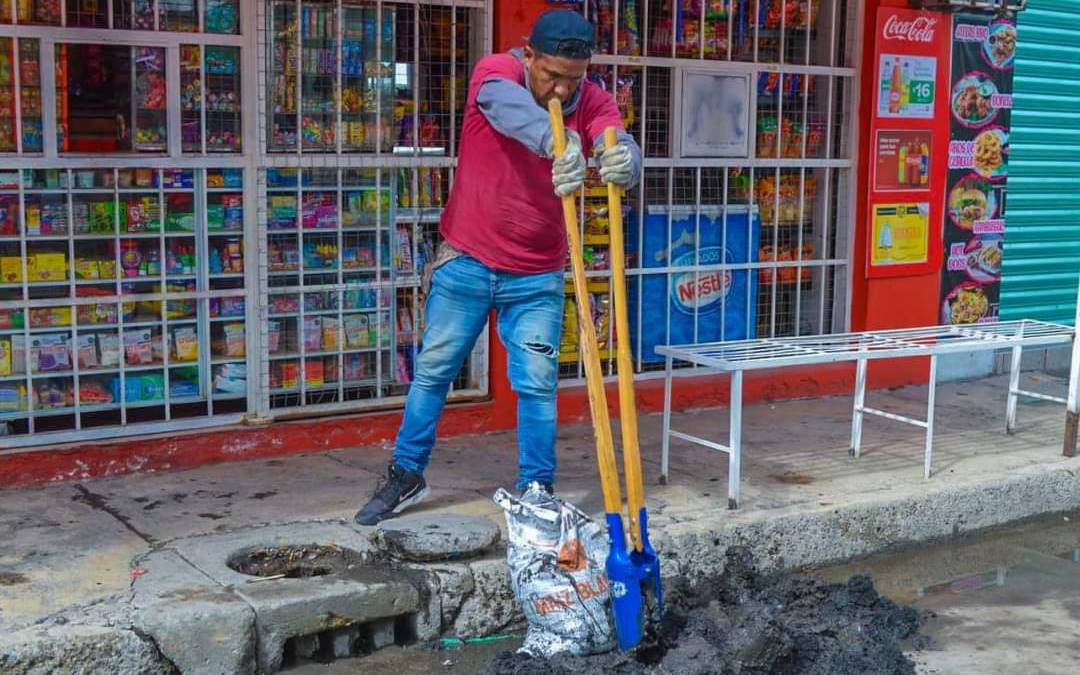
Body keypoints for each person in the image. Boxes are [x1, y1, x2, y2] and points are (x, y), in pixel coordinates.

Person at [354, 9, 642, 525]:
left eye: (572, 79)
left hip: (537, 275)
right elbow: (509, 109)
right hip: (467, 259)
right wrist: (558, 141)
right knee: (434, 372)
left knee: (536, 382)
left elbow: (611, 134)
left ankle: (537, 485)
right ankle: (406, 471)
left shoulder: (591, 98)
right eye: (551, 75)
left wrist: (624, 157)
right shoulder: (496, 73)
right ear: (528, 55)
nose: (560, 91)